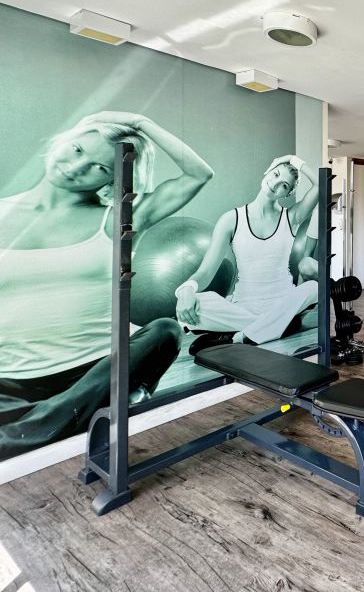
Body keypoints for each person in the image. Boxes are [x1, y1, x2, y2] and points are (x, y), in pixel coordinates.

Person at [0, 111, 214, 460]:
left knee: (166, 331)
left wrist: (142, 123)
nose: (77, 167)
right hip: (10, 379)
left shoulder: (120, 218)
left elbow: (198, 174)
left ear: (111, 178)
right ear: (64, 140)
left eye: (99, 167)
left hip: (93, 370)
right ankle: (49, 423)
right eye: (77, 150)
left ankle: (27, 432)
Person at [178, 155, 319, 354]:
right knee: (193, 306)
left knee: (314, 288)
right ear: (267, 172)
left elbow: (320, 185)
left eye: (284, 185)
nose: (275, 184)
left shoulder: (291, 217)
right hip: (243, 307)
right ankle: (274, 327)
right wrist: (186, 290)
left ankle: (238, 337)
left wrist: (292, 159)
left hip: (283, 301)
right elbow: (205, 272)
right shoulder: (231, 219)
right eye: (275, 174)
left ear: (288, 193)